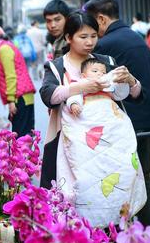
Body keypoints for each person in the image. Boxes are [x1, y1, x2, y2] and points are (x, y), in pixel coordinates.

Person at [39, 11, 143, 190]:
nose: (90, 42)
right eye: (83, 36)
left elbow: (136, 95)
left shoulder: (106, 61)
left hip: (109, 140)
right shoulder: (57, 67)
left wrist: (131, 80)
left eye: (94, 36)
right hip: (71, 142)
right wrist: (81, 87)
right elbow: (48, 96)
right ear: (69, 38)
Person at [84, 0, 150, 227]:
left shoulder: (106, 45)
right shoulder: (136, 37)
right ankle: (149, 225)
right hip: (148, 117)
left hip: (128, 123)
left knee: (125, 175)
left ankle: (133, 225)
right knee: (144, 173)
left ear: (101, 19)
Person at [57, 58, 146, 226]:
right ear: (84, 75)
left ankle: (120, 209)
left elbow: (120, 94)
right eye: (95, 71)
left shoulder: (107, 87)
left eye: (103, 72)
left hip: (111, 120)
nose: (100, 74)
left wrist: (119, 81)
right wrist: (74, 104)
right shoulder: (80, 83)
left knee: (123, 161)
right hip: (89, 121)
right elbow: (73, 96)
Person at [0, 23, 36, 137]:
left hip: (20, 96)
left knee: (20, 135)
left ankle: (25, 155)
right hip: (22, 94)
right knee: (25, 134)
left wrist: (11, 100)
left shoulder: (3, 49)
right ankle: (28, 155)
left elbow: (10, 76)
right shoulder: (3, 47)